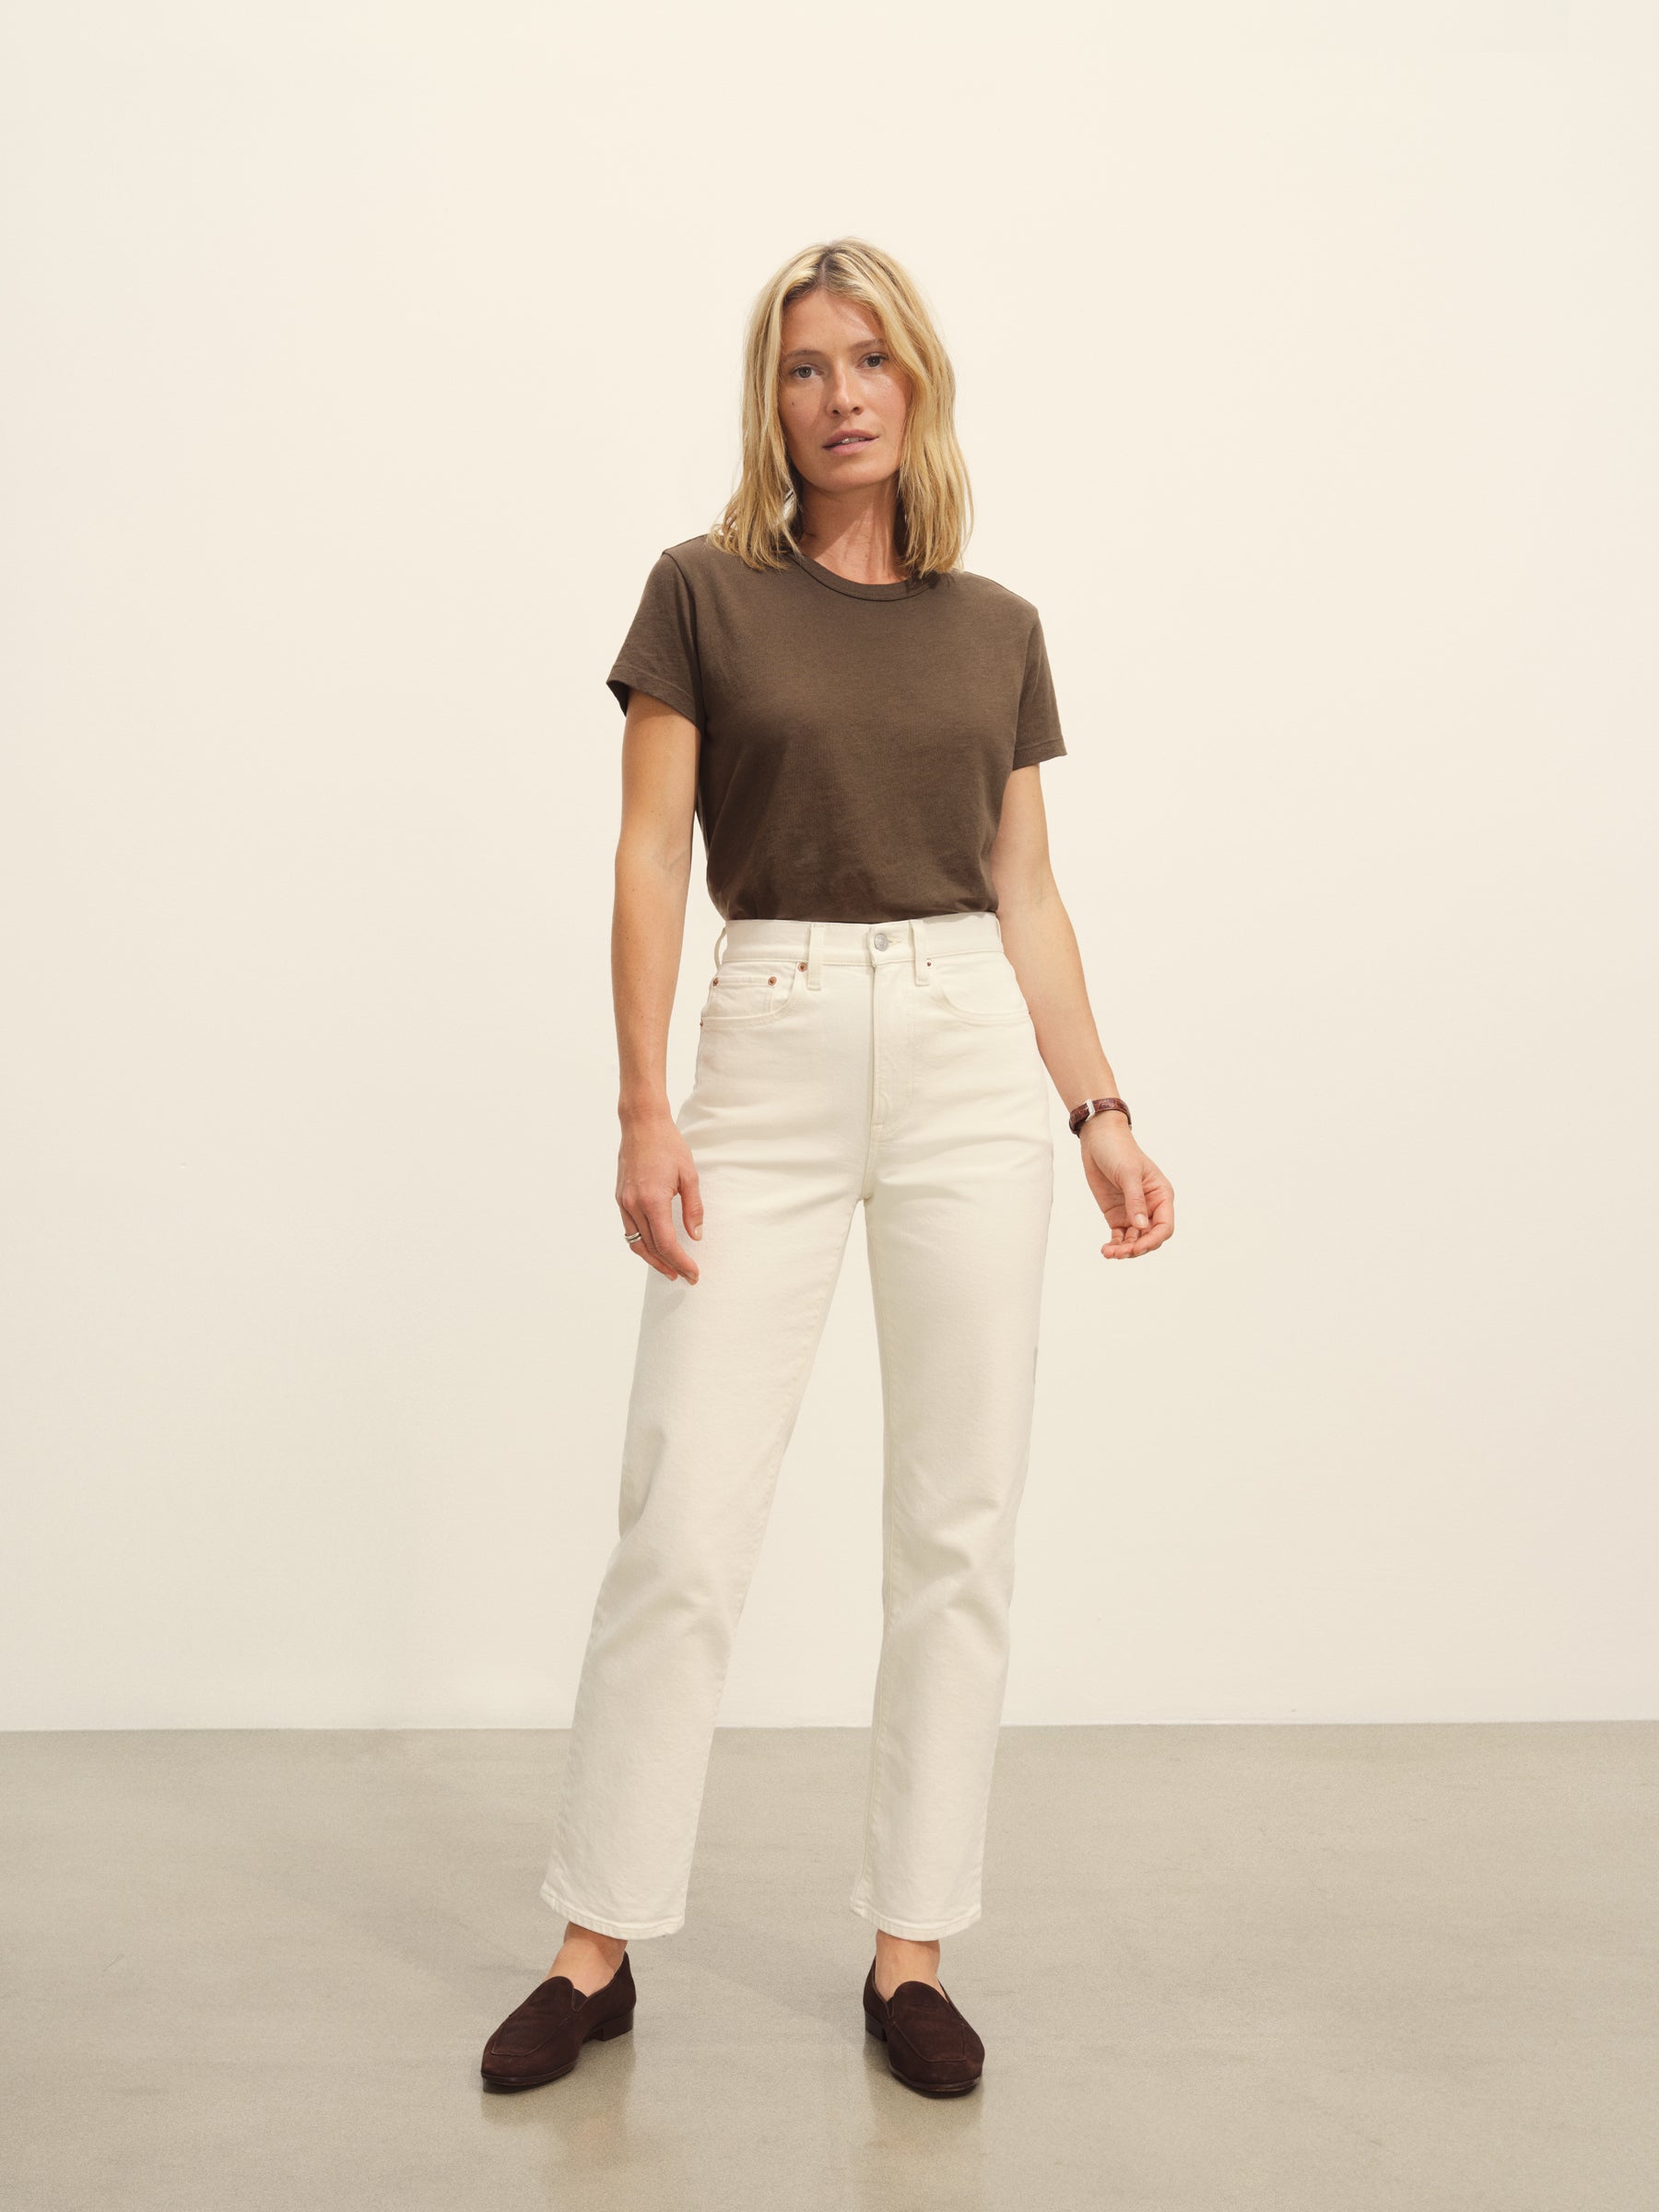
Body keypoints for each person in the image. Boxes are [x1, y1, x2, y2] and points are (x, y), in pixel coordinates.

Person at [480, 236, 1174, 2099]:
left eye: (870, 359)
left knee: (958, 1522)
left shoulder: (996, 625)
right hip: (768, 1040)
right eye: (805, 366)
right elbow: (649, 857)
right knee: (684, 1515)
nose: (841, 394)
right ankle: (597, 1942)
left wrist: (1099, 1110)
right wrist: (643, 1106)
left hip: (965, 1059)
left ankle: (910, 1951)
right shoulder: (702, 594)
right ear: (768, 399)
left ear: (917, 381)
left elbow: (1028, 891)